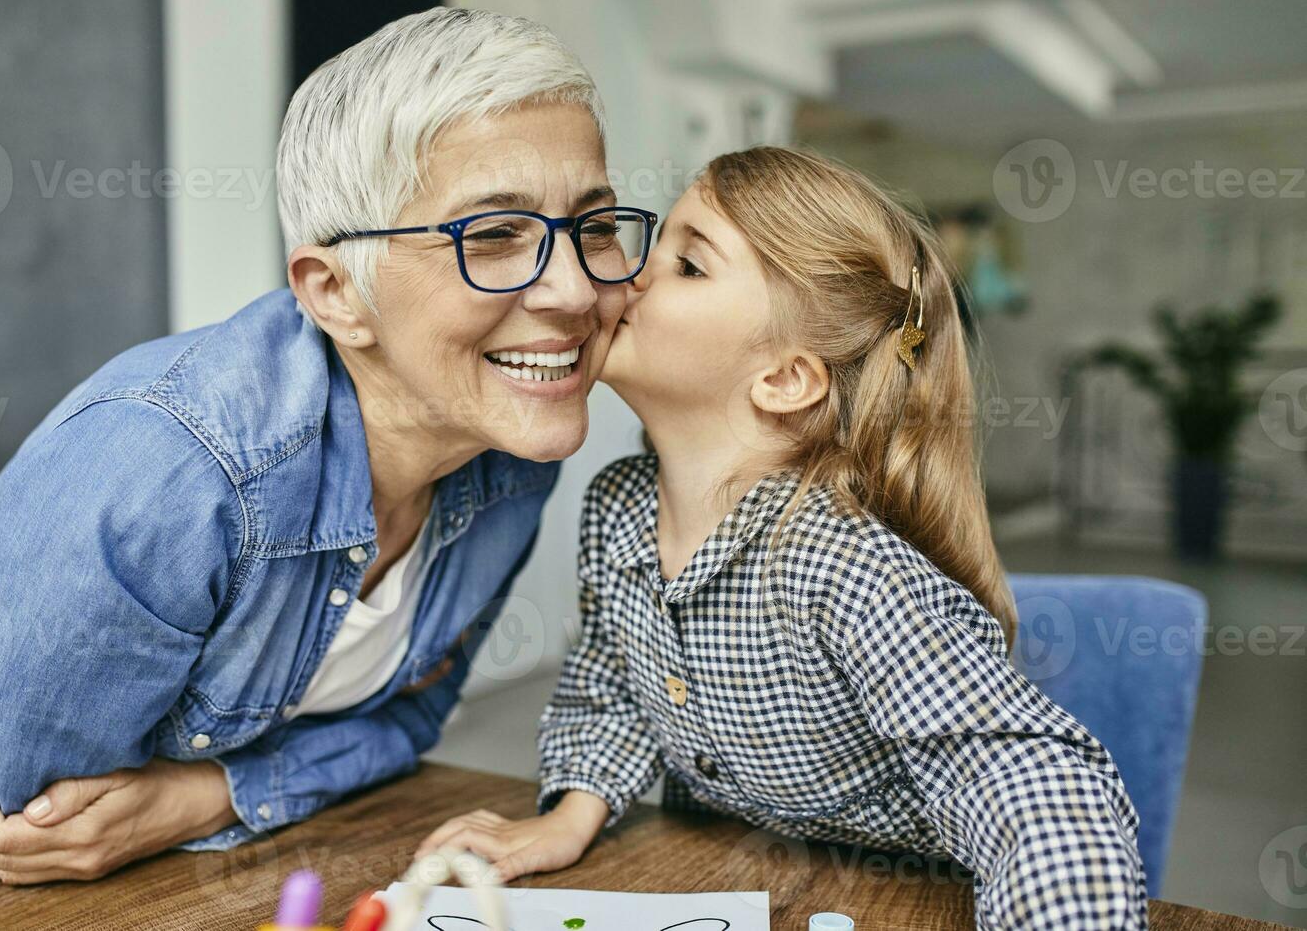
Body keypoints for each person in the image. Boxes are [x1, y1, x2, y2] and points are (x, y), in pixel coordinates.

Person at [0, 7, 657, 882]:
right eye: (493, 236)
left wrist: (206, 795)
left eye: (595, 226)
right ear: (334, 292)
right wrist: (246, 788)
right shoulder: (169, 474)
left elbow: (410, 727)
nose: (574, 290)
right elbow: (22, 827)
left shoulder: (504, 463)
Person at [416, 147, 1149, 929]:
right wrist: (570, 815)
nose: (624, 276)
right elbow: (611, 689)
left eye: (689, 266)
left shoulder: (846, 569)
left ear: (786, 379)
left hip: (899, 900)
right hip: (735, 884)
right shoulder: (617, 509)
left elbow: (1039, 795)